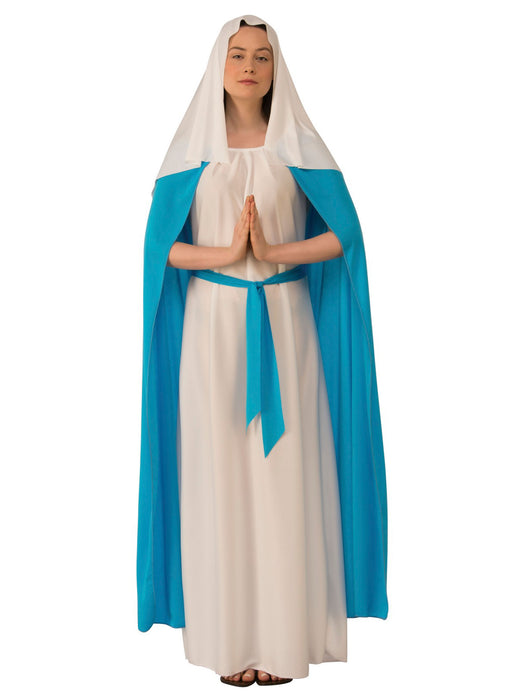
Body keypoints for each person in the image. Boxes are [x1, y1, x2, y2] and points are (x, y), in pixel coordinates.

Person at [137, 15, 388, 688]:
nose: (248, 66)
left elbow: (345, 236)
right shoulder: (191, 152)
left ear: (276, 69)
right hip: (211, 328)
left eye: (261, 56)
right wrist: (226, 254)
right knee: (218, 474)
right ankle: (229, 643)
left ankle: (280, 642)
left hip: (284, 322)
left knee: (282, 477)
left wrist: (273, 251)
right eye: (237, 54)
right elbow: (161, 249)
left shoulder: (298, 146)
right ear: (218, 65)